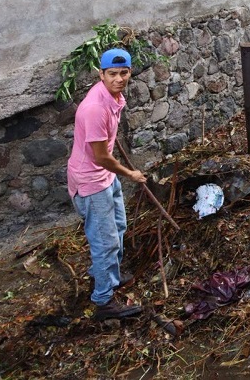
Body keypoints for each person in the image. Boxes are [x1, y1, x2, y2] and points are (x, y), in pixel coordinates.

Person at [67, 48, 148, 320]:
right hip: (91, 180)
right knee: (105, 241)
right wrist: (131, 174)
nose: (119, 79)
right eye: (112, 74)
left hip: (105, 176)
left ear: (130, 72)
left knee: (119, 226)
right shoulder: (94, 108)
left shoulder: (112, 96)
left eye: (124, 73)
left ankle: (108, 272)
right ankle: (104, 300)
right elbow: (101, 157)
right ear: (100, 74)